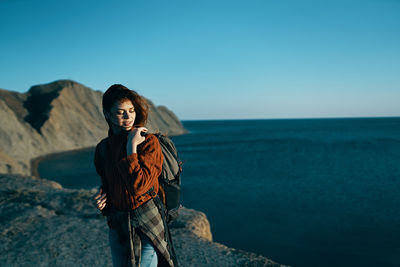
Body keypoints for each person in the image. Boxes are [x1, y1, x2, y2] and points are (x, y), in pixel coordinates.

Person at [93, 84, 177, 267]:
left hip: (147, 224)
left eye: (131, 110)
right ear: (107, 114)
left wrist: (131, 147)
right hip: (118, 225)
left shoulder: (148, 142)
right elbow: (109, 185)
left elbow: (139, 187)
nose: (128, 116)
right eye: (120, 112)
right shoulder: (103, 149)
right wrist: (102, 199)